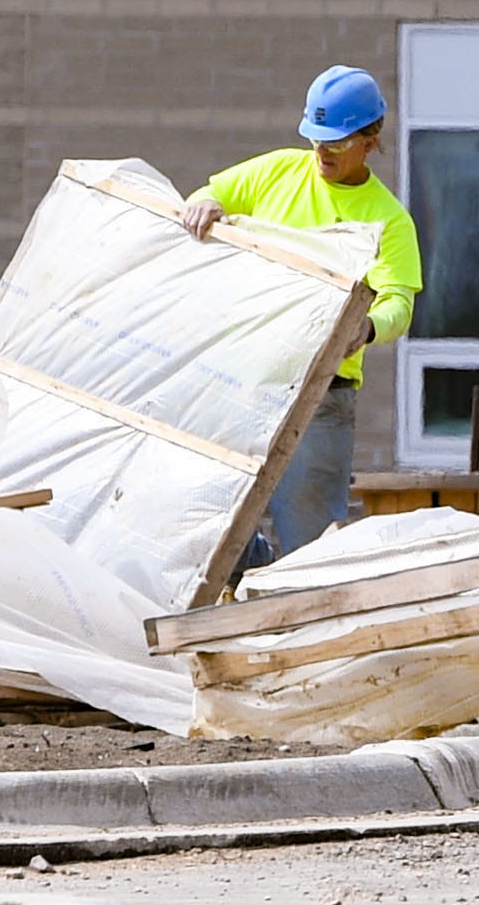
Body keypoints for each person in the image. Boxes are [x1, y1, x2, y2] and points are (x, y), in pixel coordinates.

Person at [178, 64, 424, 566]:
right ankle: (255, 584)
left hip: (321, 394)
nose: (322, 151)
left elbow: (398, 303)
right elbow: (211, 192)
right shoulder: (277, 171)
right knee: (208, 516)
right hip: (243, 378)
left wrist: (367, 326)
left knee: (310, 542)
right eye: (316, 138)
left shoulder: (388, 219)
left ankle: (299, 616)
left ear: (370, 139)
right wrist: (203, 205)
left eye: (336, 141)